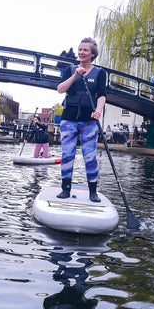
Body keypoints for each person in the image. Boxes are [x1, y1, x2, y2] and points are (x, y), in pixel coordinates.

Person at [56, 37, 106, 202]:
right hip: (69, 118)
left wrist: (98, 111)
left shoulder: (100, 73)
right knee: (67, 154)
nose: (81, 52)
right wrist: (75, 75)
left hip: (89, 120)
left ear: (92, 54)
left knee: (90, 156)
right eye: (80, 49)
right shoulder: (70, 70)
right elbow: (60, 89)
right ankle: (65, 189)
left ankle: (93, 192)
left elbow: (102, 95)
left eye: (85, 50)